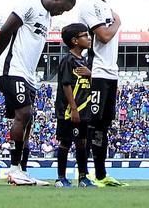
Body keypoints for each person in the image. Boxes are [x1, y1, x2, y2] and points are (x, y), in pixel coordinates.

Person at [0, 0, 77, 186]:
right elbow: (5, 31)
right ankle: (13, 169)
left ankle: (22, 169)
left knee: (28, 120)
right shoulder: (29, 3)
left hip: (28, 75)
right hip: (13, 69)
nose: (61, 13)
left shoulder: (46, 16)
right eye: (62, 9)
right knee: (23, 113)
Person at [78, 0, 126, 187]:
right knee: (93, 123)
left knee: (104, 125)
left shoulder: (105, 6)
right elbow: (104, 36)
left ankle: (101, 174)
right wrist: (117, 22)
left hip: (110, 72)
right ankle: (85, 175)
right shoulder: (90, 4)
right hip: (97, 72)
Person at [54, 23, 95, 188]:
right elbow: (66, 85)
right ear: (75, 41)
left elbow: (90, 84)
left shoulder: (83, 61)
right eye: (85, 35)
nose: (89, 38)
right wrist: (74, 109)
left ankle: (83, 178)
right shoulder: (68, 60)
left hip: (84, 109)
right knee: (66, 142)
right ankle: (61, 178)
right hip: (69, 111)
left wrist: (90, 74)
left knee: (82, 142)